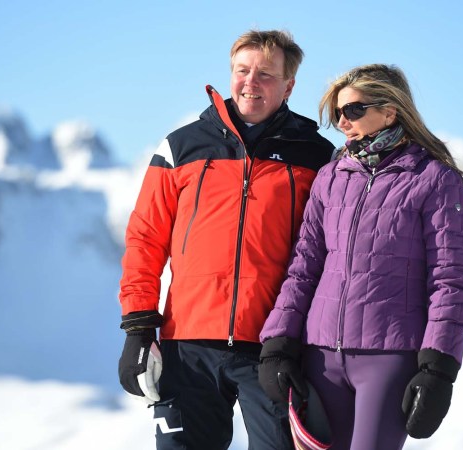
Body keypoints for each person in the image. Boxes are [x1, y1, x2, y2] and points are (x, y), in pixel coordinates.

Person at [117, 29, 335, 450]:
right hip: (188, 346)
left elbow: (325, 253)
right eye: (242, 70)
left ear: (289, 86)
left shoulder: (314, 156)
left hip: (272, 346)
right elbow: (145, 238)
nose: (251, 82)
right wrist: (139, 327)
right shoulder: (181, 147)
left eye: (266, 74)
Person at [258, 64, 463, 450]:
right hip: (320, 355)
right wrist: (278, 342)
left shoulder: (435, 180)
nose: (343, 121)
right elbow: (304, 266)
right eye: (338, 112)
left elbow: (450, 280)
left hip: (389, 358)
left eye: (354, 110)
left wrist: (438, 368)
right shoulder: (331, 177)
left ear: (390, 111)